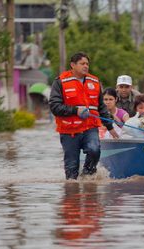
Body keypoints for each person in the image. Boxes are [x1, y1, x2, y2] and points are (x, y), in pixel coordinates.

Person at [49, 52, 117, 180]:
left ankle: (88, 178)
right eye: (82, 64)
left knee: (94, 150)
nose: (86, 66)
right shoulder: (60, 82)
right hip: (69, 131)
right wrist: (75, 110)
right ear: (73, 65)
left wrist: (110, 127)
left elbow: (101, 106)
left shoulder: (95, 81)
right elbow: (54, 107)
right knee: (71, 170)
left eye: (87, 64)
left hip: (90, 127)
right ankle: (73, 193)